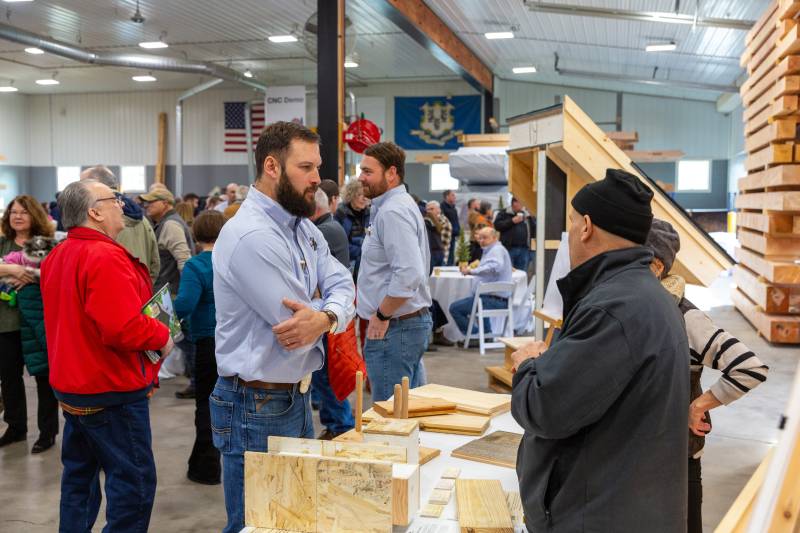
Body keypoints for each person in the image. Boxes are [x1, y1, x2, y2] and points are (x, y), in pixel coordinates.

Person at [510, 169, 689, 532]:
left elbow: (545, 408)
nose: (571, 233)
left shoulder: (614, 308)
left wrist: (528, 364)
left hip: (597, 514)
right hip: (625, 502)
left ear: (586, 227)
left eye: (572, 223)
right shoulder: (642, 295)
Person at [211, 121, 354, 533]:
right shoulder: (251, 235)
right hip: (255, 404)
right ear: (272, 166)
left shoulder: (304, 229)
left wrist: (326, 316)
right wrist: (328, 312)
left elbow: (343, 284)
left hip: (293, 397)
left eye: (318, 167)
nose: (317, 180)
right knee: (256, 523)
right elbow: (293, 326)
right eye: (306, 168)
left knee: (293, 518)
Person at [40, 179, 174, 532]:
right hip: (109, 389)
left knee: (79, 482)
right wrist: (162, 335)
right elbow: (122, 328)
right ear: (94, 212)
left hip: (74, 388)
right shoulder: (104, 256)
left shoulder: (58, 255)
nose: (121, 204)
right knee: (134, 487)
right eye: (113, 199)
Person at [645, 218, 769, 533]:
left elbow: (749, 367)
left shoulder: (686, 318)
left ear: (656, 266)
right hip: (643, 460)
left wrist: (699, 406)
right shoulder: (641, 313)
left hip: (678, 464)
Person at [357, 141, 432, 402]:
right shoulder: (391, 207)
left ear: (391, 173)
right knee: (409, 411)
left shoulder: (393, 212)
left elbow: (409, 274)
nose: (360, 178)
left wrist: (381, 314)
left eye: (367, 172)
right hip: (402, 326)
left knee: (391, 420)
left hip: (395, 327)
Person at [0, 196, 59, 453]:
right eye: (13, 212)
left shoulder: (43, 244)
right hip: (6, 323)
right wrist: (13, 271)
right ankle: (16, 427)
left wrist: (29, 276)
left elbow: (55, 275)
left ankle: (47, 432)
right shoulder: (2, 244)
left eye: (24, 212)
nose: (18, 216)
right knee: (9, 378)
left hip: (37, 322)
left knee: (44, 378)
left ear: (34, 215)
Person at [174, 210, 225, 485]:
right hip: (235, 340)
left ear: (196, 235)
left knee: (206, 404)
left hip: (207, 341)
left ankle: (206, 467)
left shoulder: (196, 266)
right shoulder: (233, 262)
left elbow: (184, 304)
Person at [139, 187, 195, 398]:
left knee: (185, 340)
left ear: (166, 203)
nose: (147, 206)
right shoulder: (164, 223)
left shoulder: (170, 225)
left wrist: (185, 292)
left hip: (171, 294)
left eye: (152, 202)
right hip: (170, 292)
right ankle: (193, 377)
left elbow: (184, 259)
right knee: (183, 339)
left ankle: (196, 382)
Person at [309, 188, 355, 439]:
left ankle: (340, 425)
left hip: (328, 313)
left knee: (327, 375)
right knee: (326, 374)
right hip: (332, 310)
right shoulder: (331, 226)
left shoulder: (323, 231)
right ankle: (336, 422)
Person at [80, 165, 160, 285]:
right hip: (141, 293)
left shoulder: (94, 219)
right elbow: (155, 263)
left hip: (112, 293)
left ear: (96, 185)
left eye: (82, 184)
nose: (79, 189)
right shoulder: (143, 219)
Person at [448, 227, 512, 336]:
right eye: (480, 238)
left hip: (493, 300)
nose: (481, 240)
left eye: (485, 238)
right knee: (477, 299)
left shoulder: (496, 250)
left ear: (494, 238)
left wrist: (471, 271)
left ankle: (474, 335)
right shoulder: (491, 250)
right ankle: (486, 335)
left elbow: (495, 266)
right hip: (492, 298)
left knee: (455, 308)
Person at [335, 179, 370, 279]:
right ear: (351, 195)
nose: (364, 198)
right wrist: (362, 250)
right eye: (360, 195)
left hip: (364, 259)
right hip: (349, 259)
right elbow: (341, 244)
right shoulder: (341, 213)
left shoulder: (369, 212)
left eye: (365, 195)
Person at [494, 196, 536, 272]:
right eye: (521, 203)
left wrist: (532, 217)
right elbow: (497, 226)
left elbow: (535, 229)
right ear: (514, 203)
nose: (523, 205)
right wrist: (512, 221)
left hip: (524, 249)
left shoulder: (527, 215)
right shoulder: (504, 213)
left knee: (522, 274)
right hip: (509, 249)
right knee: (507, 272)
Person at [425, 201, 452, 267]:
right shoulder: (429, 220)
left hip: (441, 255)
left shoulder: (443, 220)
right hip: (432, 254)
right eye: (427, 209)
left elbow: (439, 230)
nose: (429, 211)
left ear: (439, 210)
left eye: (431, 209)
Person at [440, 189, 460, 266]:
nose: (455, 197)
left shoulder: (453, 208)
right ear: (447, 196)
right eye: (452, 195)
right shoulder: (442, 207)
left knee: (451, 254)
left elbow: (456, 221)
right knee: (446, 255)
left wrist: (458, 230)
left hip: (453, 235)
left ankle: (450, 267)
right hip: (446, 236)